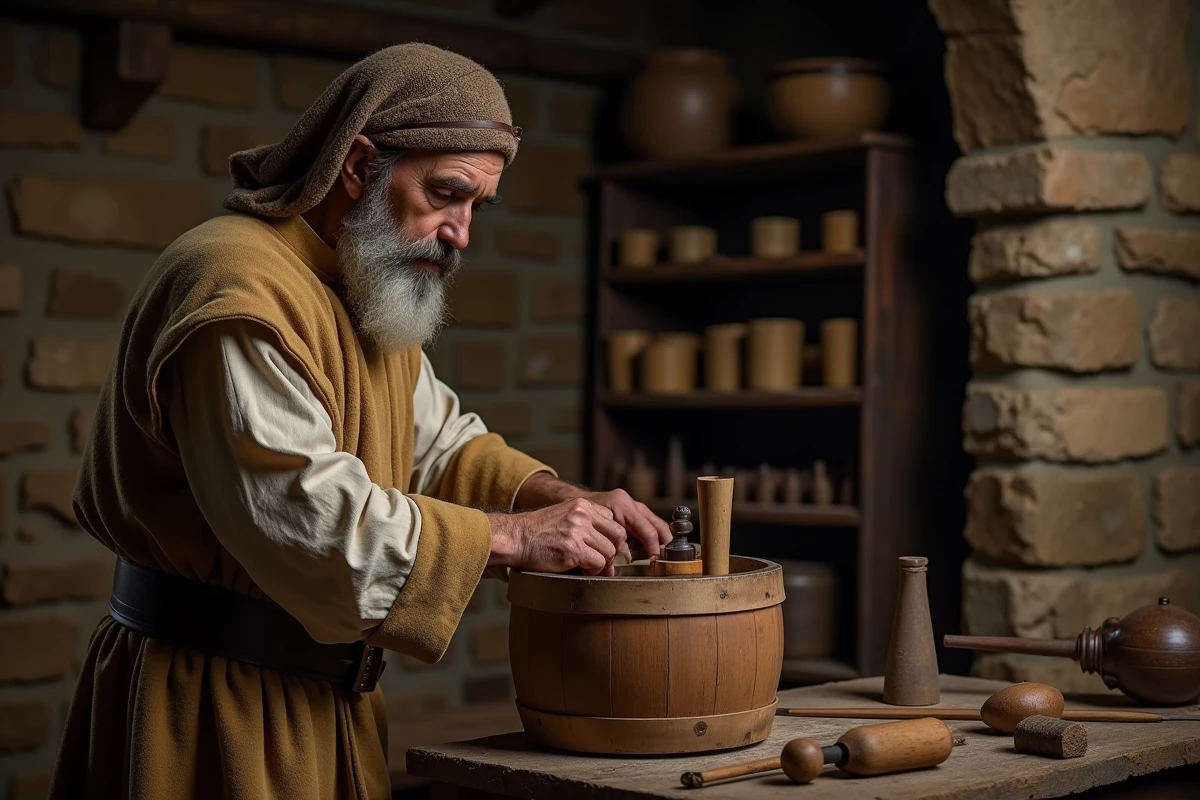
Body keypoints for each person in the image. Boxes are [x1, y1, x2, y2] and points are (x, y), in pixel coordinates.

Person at [50, 42, 671, 800]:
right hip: (207, 707)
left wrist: (553, 499)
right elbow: (310, 522)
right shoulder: (238, 285)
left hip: (324, 703)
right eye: (446, 194)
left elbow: (437, 441)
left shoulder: (358, 282)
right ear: (357, 165)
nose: (461, 232)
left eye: (477, 205)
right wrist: (513, 537)